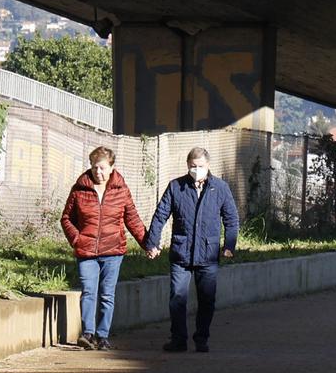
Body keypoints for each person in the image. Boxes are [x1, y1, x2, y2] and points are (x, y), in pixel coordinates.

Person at [145, 146, 239, 353]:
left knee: (207, 299)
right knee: (177, 297)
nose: (196, 170)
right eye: (192, 166)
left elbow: (231, 219)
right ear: (187, 166)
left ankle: (201, 338)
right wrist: (152, 242)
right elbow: (160, 216)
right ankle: (178, 339)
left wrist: (229, 246)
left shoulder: (220, 188)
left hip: (208, 254)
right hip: (181, 253)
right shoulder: (176, 187)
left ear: (208, 166)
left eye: (200, 166)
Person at [59, 146, 149, 351]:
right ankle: (87, 334)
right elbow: (66, 218)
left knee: (107, 294)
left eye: (101, 168)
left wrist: (147, 244)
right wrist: (76, 239)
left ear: (111, 168)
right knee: (89, 291)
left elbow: (132, 219)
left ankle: (103, 336)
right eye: (93, 167)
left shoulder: (121, 190)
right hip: (86, 251)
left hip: (113, 251)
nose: (97, 172)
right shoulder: (79, 189)